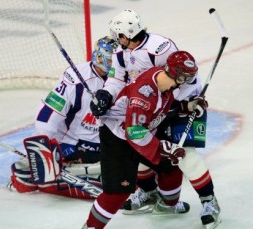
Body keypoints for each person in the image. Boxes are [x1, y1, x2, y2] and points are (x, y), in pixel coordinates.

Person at [90, 9, 221, 229]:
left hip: (174, 104)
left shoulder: (160, 48)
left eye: (118, 34)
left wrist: (187, 103)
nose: (115, 38)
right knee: (143, 151)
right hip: (150, 109)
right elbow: (116, 81)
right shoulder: (120, 53)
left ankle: (210, 202)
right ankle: (150, 193)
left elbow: (184, 76)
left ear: (127, 34)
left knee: (185, 155)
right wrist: (105, 95)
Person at [83, 51, 200, 229]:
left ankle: (167, 205)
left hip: (140, 131)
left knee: (172, 164)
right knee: (117, 193)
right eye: (187, 78)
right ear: (180, 77)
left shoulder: (161, 79)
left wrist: (186, 106)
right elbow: (135, 132)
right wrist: (163, 147)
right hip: (117, 138)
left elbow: (157, 109)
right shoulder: (143, 95)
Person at [7, 36, 117, 199]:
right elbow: (48, 113)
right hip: (73, 144)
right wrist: (44, 147)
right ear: (100, 58)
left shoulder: (123, 77)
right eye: (113, 60)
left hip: (106, 142)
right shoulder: (75, 77)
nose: (118, 63)